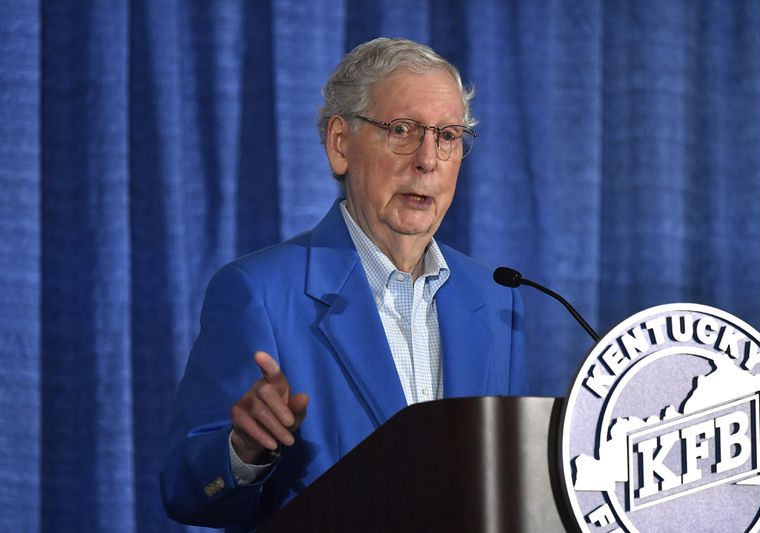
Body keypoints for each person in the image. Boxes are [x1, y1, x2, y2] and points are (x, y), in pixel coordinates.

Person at [160, 37, 532, 531]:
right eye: (403, 130)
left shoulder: (496, 297)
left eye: (447, 136)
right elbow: (186, 493)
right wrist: (242, 451)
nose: (428, 160)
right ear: (341, 145)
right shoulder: (258, 294)